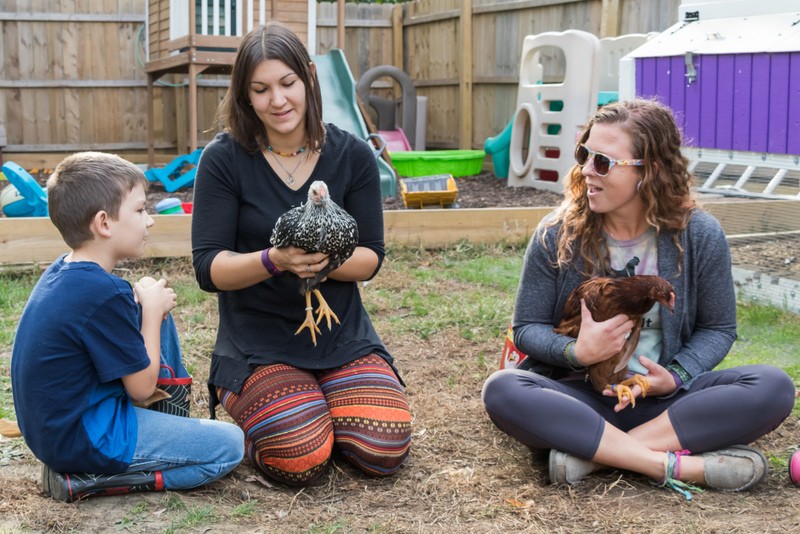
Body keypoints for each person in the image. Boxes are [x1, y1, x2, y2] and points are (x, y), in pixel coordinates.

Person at [482, 99, 796, 498]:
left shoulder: (699, 235)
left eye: (604, 163)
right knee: (503, 389)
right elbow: (527, 328)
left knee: (772, 386)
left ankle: (592, 455)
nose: (586, 172)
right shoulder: (556, 233)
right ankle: (668, 463)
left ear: (651, 171)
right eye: (584, 156)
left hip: (668, 404)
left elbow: (718, 328)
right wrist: (577, 353)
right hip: (580, 399)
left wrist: (675, 376)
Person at [191, 22, 412, 486]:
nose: (278, 100)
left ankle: (323, 399)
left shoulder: (351, 155)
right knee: (299, 456)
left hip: (339, 335)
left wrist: (321, 262)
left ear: (309, 77)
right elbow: (209, 268)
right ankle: (276, 418)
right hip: (257, 341)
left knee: (383, 449)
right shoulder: (224, 159)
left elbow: (370, 256)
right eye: (261, 89)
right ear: (245, 96)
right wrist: (275, 260)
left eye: (288, 83)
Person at [11, 152, 244, 502]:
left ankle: (168, 424)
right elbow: (140, 387)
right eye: (139, 210)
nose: (149, 221)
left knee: (146, 301)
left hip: (55, 430)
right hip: (85, 438)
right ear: (104, 223)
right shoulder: (104, 294)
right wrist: (150, 314)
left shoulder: (65, 270)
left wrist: (146, 310)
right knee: (229, 446)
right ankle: (90, 481)